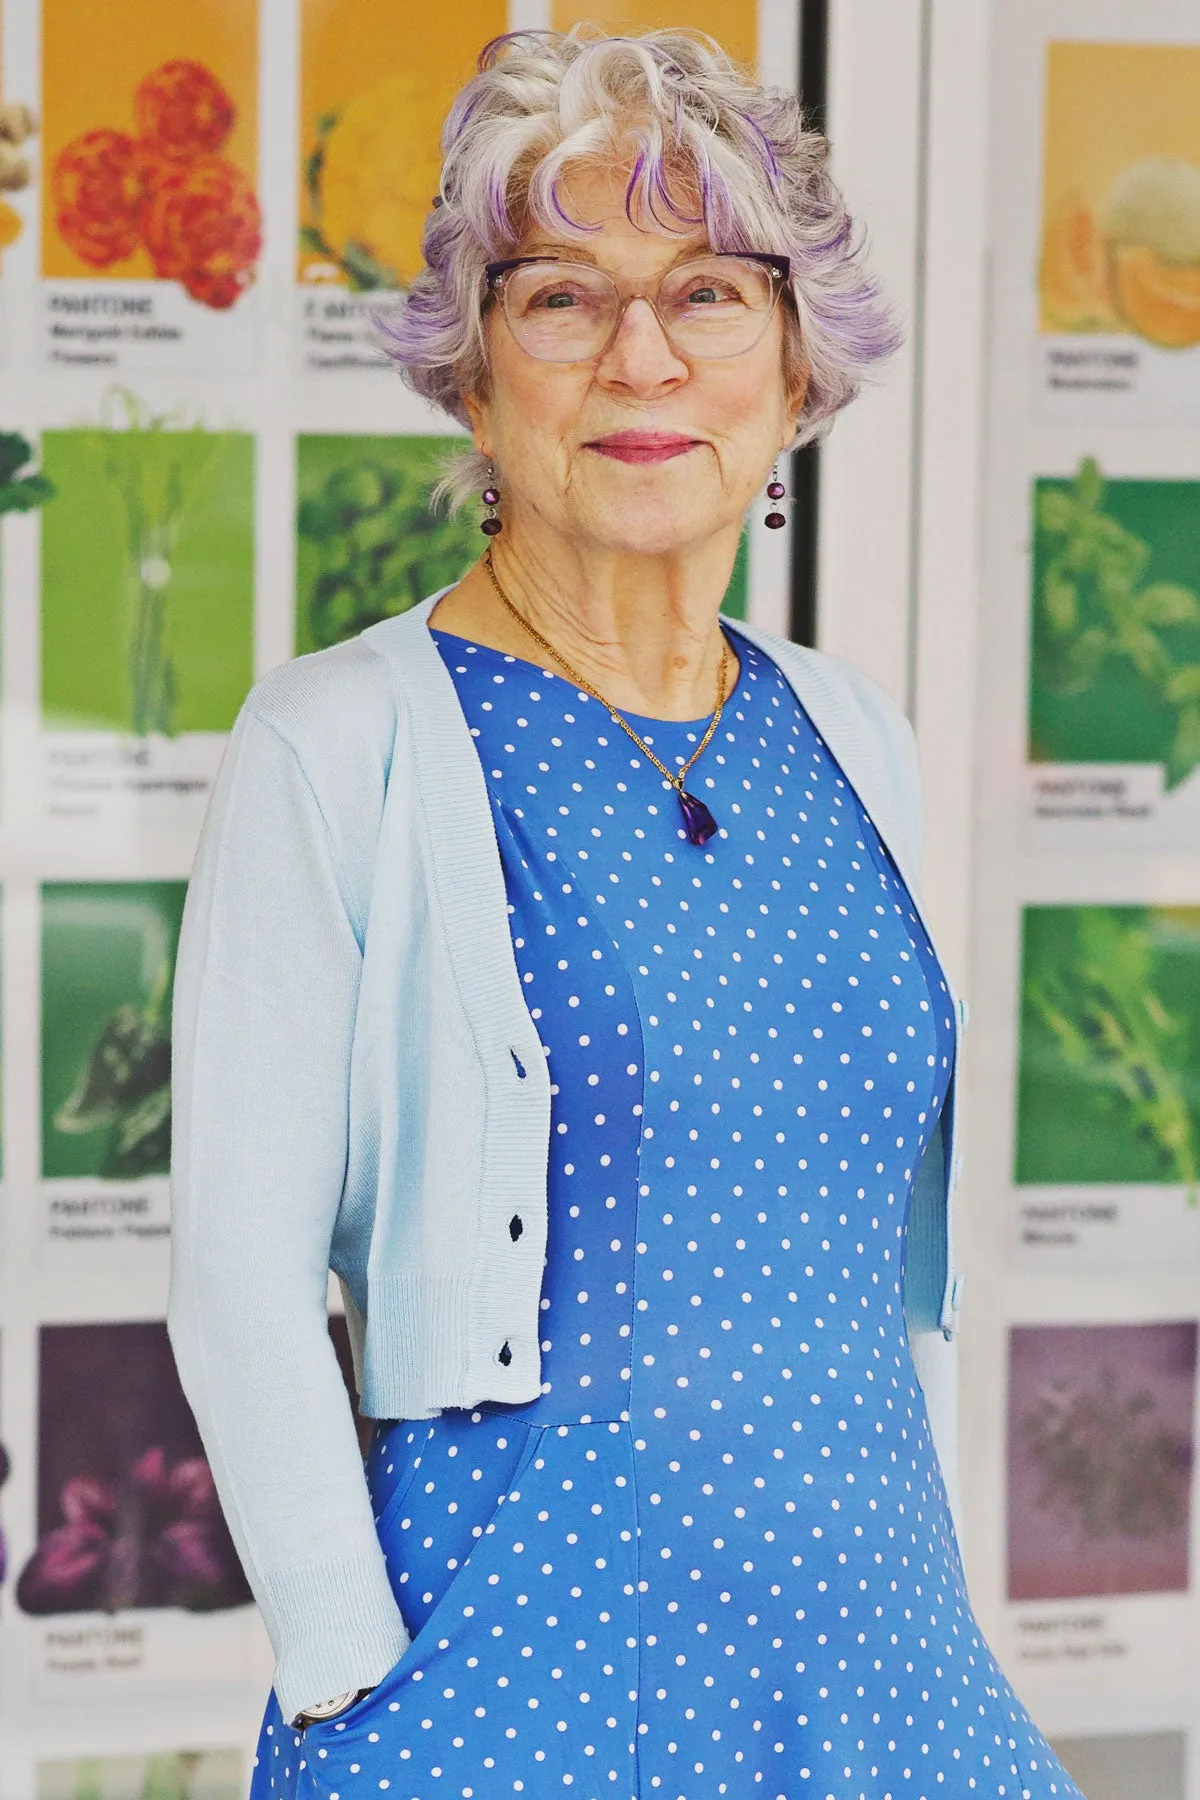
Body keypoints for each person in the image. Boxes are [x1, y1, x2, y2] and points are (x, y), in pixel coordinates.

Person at [169, 27, 1083, 1800]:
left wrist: (938, 1593)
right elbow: (239, 1277)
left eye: (712, 293)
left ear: (800, 363)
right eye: (562, 297)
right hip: (515, 1690)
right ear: (473, 369)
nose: (642, 355)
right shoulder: (338, 740)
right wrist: (358, 1678)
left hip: (881, 1676)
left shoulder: (853, 731)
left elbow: (877, 1282)